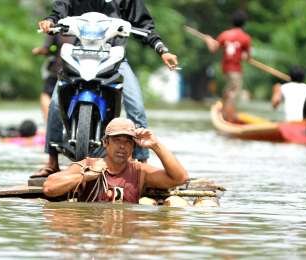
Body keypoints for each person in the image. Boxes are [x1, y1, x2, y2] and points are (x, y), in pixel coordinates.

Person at [35, 0, 179, 177]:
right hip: (79, 53)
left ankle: (142, 164)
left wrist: (162, 50)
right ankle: (52, 161)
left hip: (114, 55)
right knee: (56, 102)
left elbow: (144, 25)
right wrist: (50, 20)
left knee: (136, 106)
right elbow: (59, 11)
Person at [43, 118, 189, 203]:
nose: (122, 146)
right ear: (106, 142)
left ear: (133, 146)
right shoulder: (88, 165)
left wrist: (155, 145)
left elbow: (180, 178)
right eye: (117, 140)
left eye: (128, 142)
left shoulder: (139, 171)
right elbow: (49, 187)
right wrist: (86, 176)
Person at [205, 10, 251, 122]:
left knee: (229, 90)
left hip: (226, 69)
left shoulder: (224, 35)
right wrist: (244, 55)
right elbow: (247, 57)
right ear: (244, 23)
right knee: (234, 93)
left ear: (232, 22)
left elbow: (213, 49)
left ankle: (224, 112)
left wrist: (208, 40)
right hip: (236, 70)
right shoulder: (246, 38)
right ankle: (228, 116)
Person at [271, 66, 306, 143]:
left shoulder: (284, 87)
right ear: (303, 78)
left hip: (291, 125)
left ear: (290, 77)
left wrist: (276, 89)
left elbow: (275, 105)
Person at [32, 34, 64, 122]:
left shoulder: (60, 25)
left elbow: (46, 49)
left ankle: (48, 124)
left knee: (46, 94)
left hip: (59, 70)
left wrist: (37, 51)